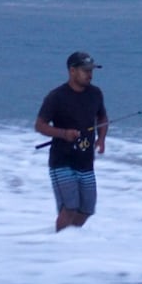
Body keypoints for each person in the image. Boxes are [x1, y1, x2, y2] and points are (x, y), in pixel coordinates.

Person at [34, 51, 109, 232]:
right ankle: (58, 240)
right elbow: (40, 125)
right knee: (69, 208)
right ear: (72, 71)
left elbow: (102, 118)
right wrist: (63, 133)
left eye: (91, 70)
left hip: (86, 162)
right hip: (62, 161)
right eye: (85, 70)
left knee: (87, 209)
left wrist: (101, 139)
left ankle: (69, 238)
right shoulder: (56, 96)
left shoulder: (95, 93)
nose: (90, 75)